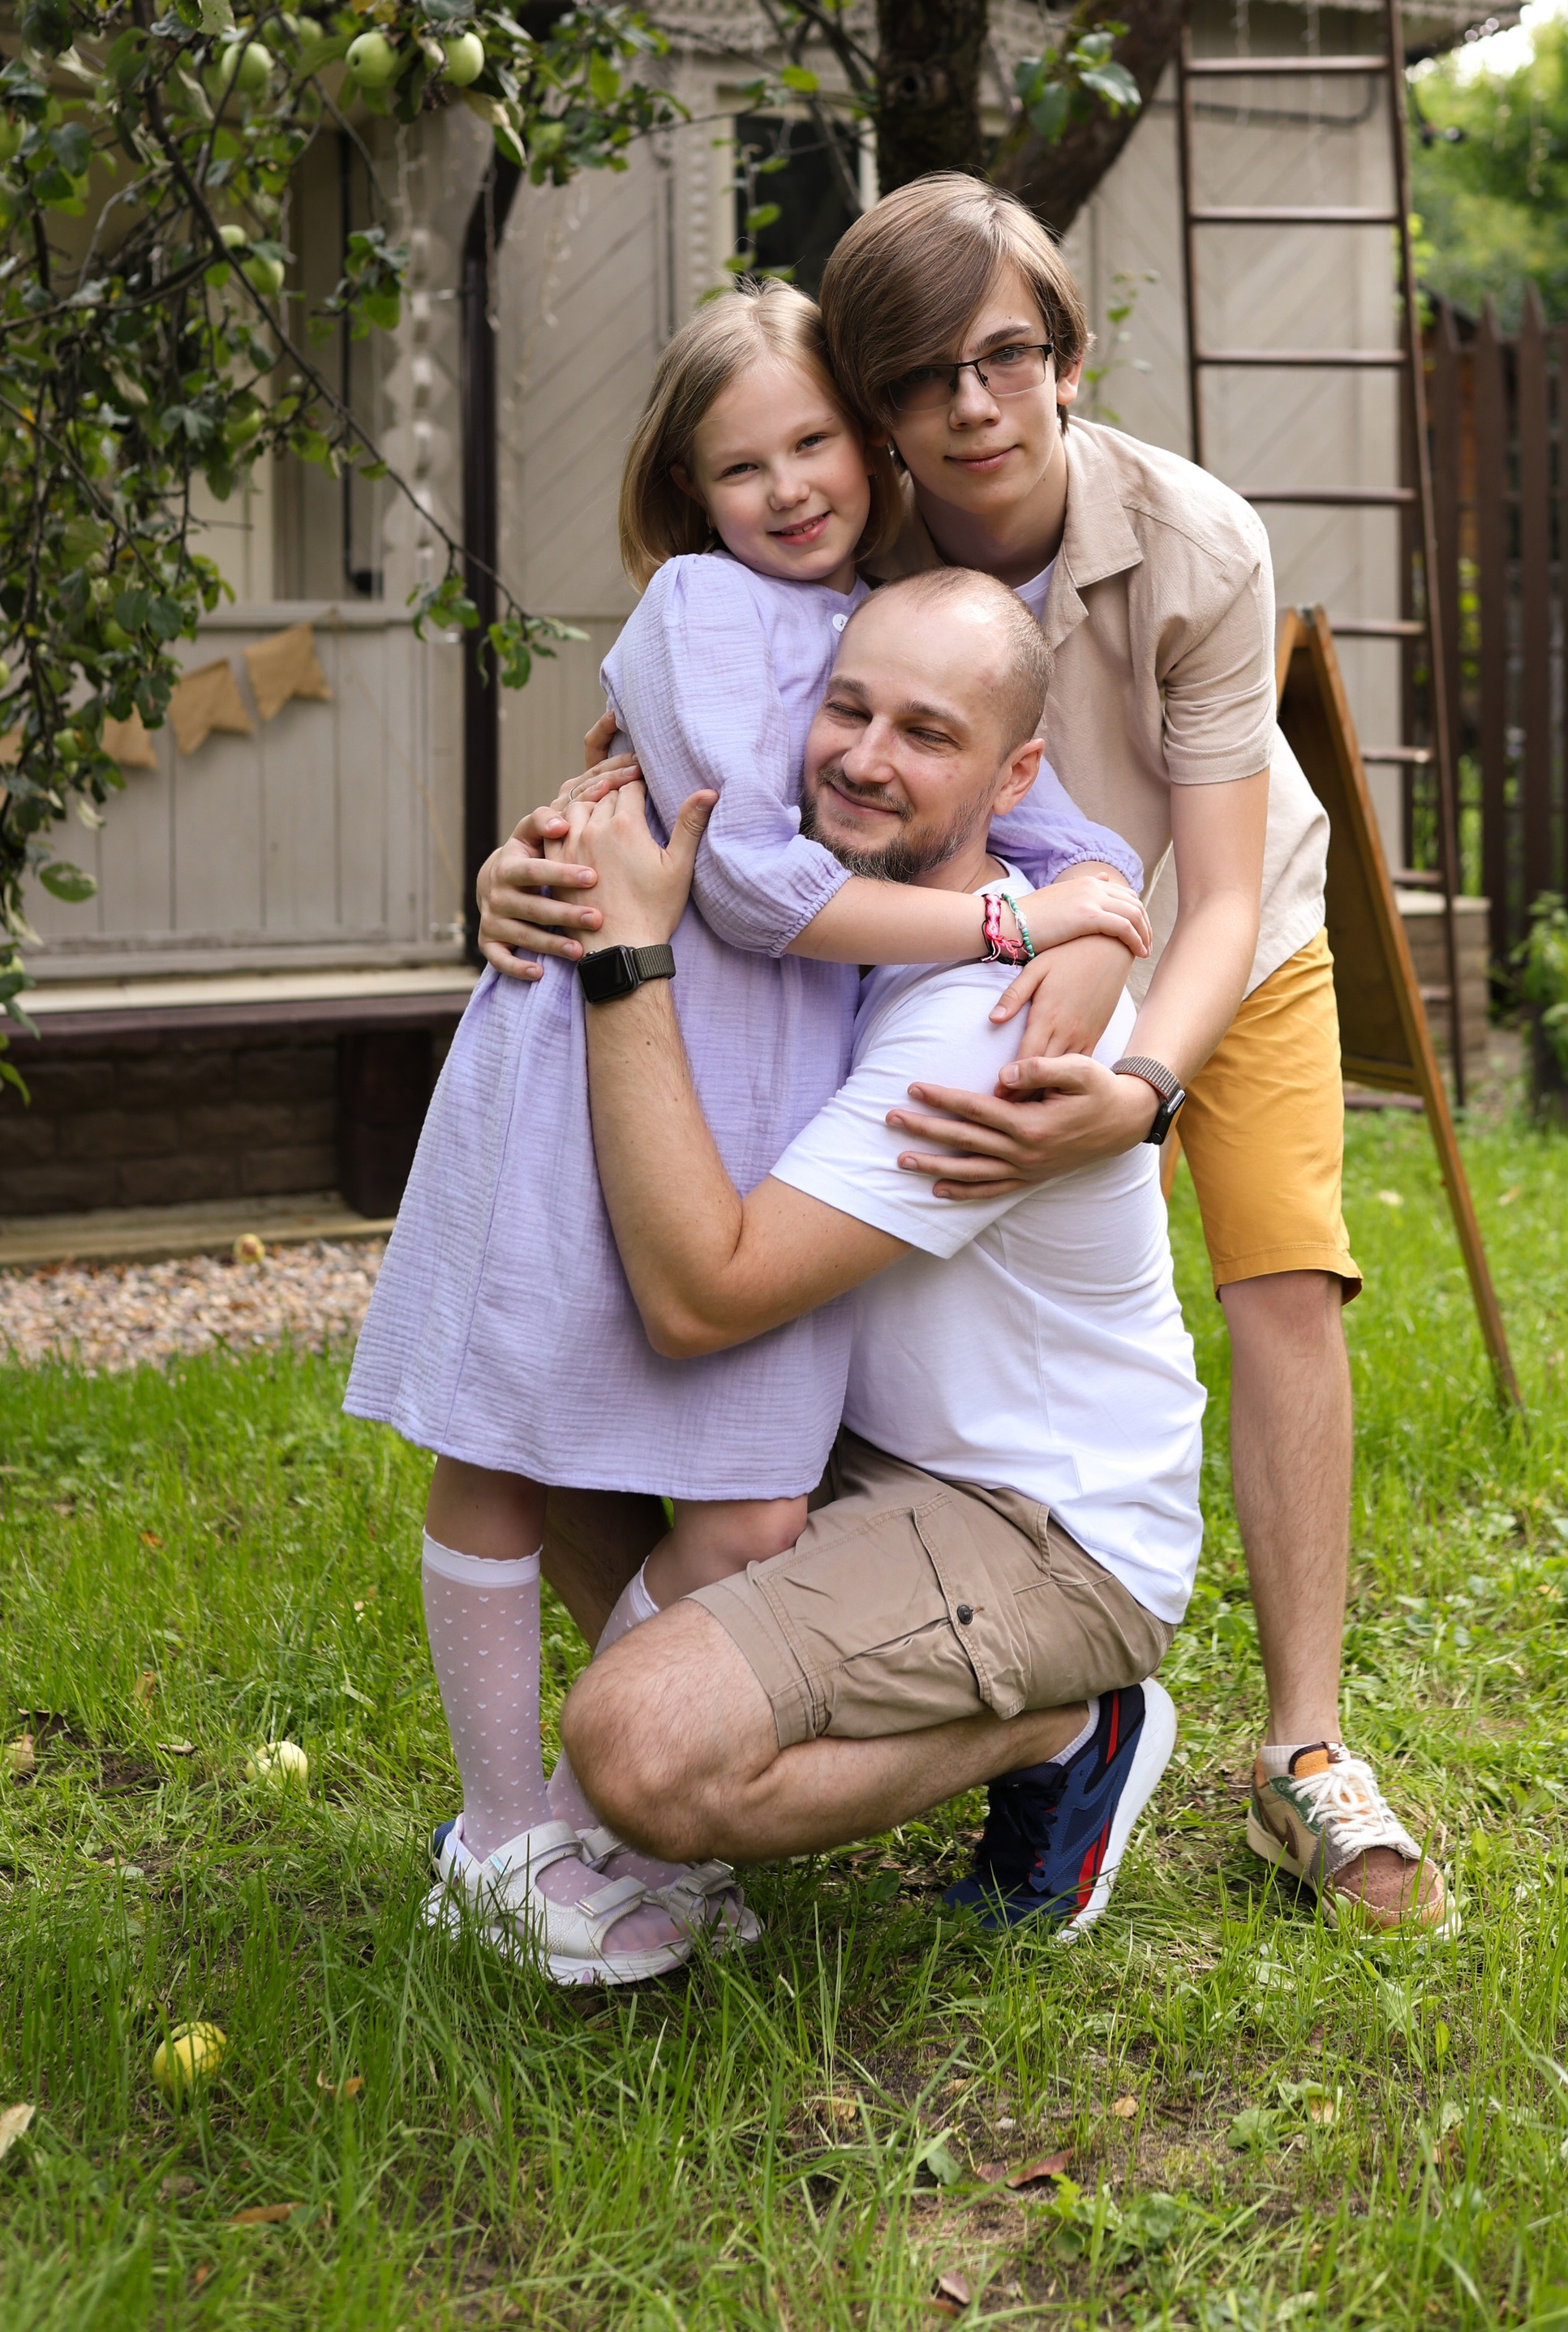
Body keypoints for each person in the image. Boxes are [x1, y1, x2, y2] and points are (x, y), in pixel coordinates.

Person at [482, 178, 1443, 1933]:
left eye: (1006, 356)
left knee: (1278, 1277)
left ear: (1067, 360)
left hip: (1214, 907)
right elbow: (668, 746)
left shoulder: (1193, 537)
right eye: (919, 378)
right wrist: (543, 848)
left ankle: (1299, 1746)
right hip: (970, 921)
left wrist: (1130, 1055)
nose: (971, 405)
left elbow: (1211, 887)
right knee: (744, 1337)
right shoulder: (849, 540)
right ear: (874, 406)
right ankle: (876, 1646)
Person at [342, 280, 1149, 1984]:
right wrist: (1005, 929)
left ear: (867, 449)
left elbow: (1067, 828)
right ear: (685, 493)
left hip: (740, 1100)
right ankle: (509, 1835)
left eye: (810, 446)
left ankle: (569, 1826)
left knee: (743, 1495)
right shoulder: (704, 612)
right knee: (518, 1427)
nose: (785, 486)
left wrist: (1087, 912)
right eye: (738, 463)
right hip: (615, 1069)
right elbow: (746, 880)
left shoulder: (901, 617)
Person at [559, 571, 1205, 1935]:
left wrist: (622, 954)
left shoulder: (992, 1021)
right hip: (861, 1452)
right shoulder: (846, 928)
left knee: (638, 1747)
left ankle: (1066, 1734)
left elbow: (702, 1295)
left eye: (926, 733)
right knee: (526, 1413)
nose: (863, 759)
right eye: (846, 709)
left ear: (1015, 774)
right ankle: (557, 1821)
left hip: (1042, 1526)